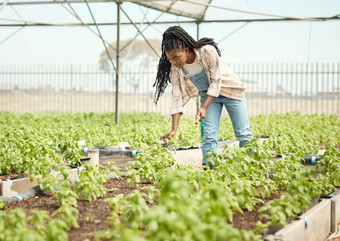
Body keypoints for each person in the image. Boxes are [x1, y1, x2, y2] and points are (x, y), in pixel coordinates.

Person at [153, 25, 253, 167]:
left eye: (176, 58)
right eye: (170, 59)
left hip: (230, 89)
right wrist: (174, 129)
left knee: (243, 133)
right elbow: (177, 97)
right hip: (208, 95)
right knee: (209, 135)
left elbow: (216, 82)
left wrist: (204, 107)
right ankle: (209, 169)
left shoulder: (207, 52)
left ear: (186, 50)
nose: (174, 62)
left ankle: (251, 165)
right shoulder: (175, 69)